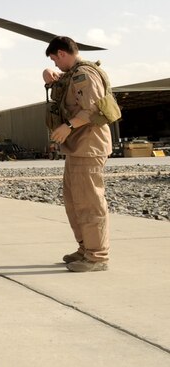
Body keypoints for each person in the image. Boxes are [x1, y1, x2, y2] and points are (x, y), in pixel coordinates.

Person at [42, 36, 113, 272]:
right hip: (77, 148)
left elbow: (91, 109)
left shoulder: (85, 75)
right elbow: (63, 88)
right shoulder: (72, 74)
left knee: (90, 202)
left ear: (62, 53)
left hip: (89, 147)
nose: (55, 64)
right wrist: (47, 74)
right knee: (74, 201)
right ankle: (85, 248)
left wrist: (68, 126)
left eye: (54, 59)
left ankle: (97, 256)